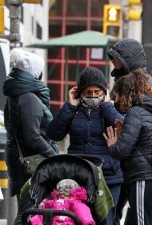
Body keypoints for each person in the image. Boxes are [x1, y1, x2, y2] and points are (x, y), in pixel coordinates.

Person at [47, 67, 124, 225]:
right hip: (79, 174)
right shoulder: (74, 110)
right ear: (80, 93)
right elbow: (54, 134)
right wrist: (69, 106)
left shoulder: (110, 108)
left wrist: (106, 105)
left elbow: (124, 127)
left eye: (97, 92)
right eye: (89, 92)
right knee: (79, 218)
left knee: (106, 220)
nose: (93, 96)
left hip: (108, 175)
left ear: (104, 92)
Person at [107, 39, 152, 224]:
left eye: (115, 59)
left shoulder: (140, 100)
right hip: (137, 168)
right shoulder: (137, 90)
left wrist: (115, 142)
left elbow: (124, 146)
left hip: (139, 169)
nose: (113, 64)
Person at [3, 48, 58, 225]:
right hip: (31, 164)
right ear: (35, 73)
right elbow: (32, 136)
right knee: (27, 212)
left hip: (22, 161)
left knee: (27, 210)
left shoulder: (16, 94)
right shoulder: (29, 98)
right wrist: (53, 155)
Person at [29, 179, 95, 225]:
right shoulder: (50, 203)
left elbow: (82, 211)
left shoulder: (75, 203)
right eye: (61, 194)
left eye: (65, 194)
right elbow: (42, 213)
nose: (63, 195)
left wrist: (87, 222)